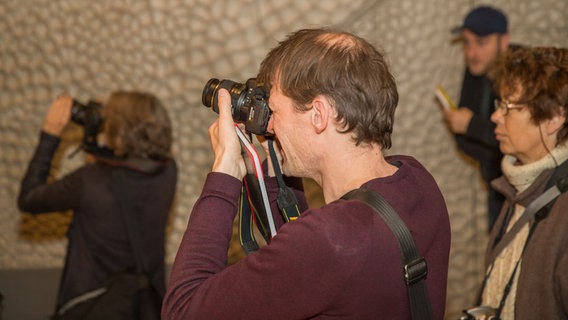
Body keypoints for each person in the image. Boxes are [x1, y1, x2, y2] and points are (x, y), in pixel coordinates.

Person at [163, 28, 451, 319]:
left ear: (319, 114)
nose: (270, 126)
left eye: (274, 110)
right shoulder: (417, 181)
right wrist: (273, 169)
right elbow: (303, 272)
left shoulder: (328, 240)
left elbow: (182, 311)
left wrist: (224, 173)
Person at [17, 91, 177, 317]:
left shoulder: (89, 181)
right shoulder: (168, 171)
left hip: (91, 307)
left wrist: (50, 134)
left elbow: (29, 198)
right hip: (144, 306)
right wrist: (108, 129)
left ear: (119, 132)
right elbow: (121, 165)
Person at [468, 47, 568, 319]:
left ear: (554, 118)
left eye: (509, 107)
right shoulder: (519, 184)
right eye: (499, 104)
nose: (495, 117)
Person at [443, 6, 511, 232]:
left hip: (525, 190)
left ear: (504, 41)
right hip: (496, 187)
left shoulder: (521, 72)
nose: (471, 53)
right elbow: (463, 139)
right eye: (467, 43)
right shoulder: (475, 71)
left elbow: (522, 140)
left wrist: (472, 126)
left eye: (481, 43)